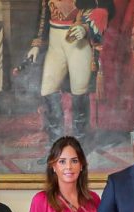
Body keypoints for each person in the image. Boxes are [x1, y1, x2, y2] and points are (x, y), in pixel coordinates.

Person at [26, 0, 115, 142]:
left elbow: (107, 8)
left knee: (79, 91)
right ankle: (55, 144)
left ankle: (81, 144)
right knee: (47, 90)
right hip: (55, 47)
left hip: (79, 45)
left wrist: (86, 28)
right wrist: (36, 44)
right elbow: (43, 16)